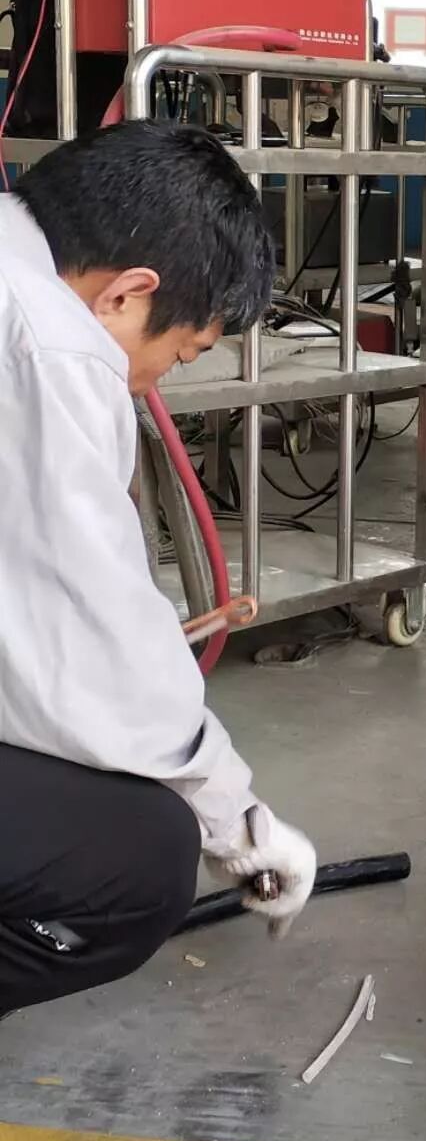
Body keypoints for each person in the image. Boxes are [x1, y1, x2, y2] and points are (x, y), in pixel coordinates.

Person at [0, 117, 317, 1021]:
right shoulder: (51, 348)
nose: (152, 382)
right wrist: (235, 821)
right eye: (179, 352)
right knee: (137, 859)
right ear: (127, 294)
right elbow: (87, 639)